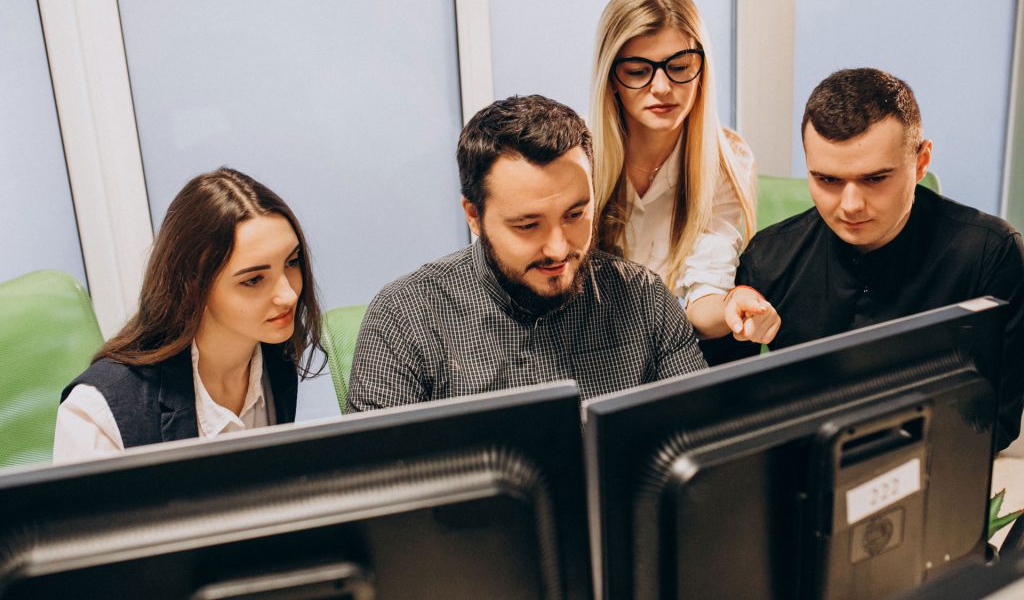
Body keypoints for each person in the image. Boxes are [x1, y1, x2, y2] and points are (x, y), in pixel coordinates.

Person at [712, 68, 1024, 450]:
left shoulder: (990, 253)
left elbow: (997, 423)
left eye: (875, 179)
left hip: (933, 474)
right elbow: (718, 416)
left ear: (921, 161)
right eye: (827, 180)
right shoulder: (769, 258)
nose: (850, 205)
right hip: (801, 475)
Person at [346, 95, 707, 411]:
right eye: (527, 225)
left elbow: (704, 450)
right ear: (474, 215)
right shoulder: (406, 319)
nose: (558, 248)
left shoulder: (644, 300)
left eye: (575, 215)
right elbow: (372, 483)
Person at [53, 167, 324, 462]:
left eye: (292, 262)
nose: (288, 294)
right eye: (254, 280)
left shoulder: (275, 360)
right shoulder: (96, 413)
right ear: (193, 285)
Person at [591, 0, 780, 345]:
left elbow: (704, 299)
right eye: (637, 71)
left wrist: (731, 306)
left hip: (678, 349)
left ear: (701, 70)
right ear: (611, 78)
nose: (662, 87)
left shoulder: (726, 159)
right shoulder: (579, 156)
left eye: (679, 67)